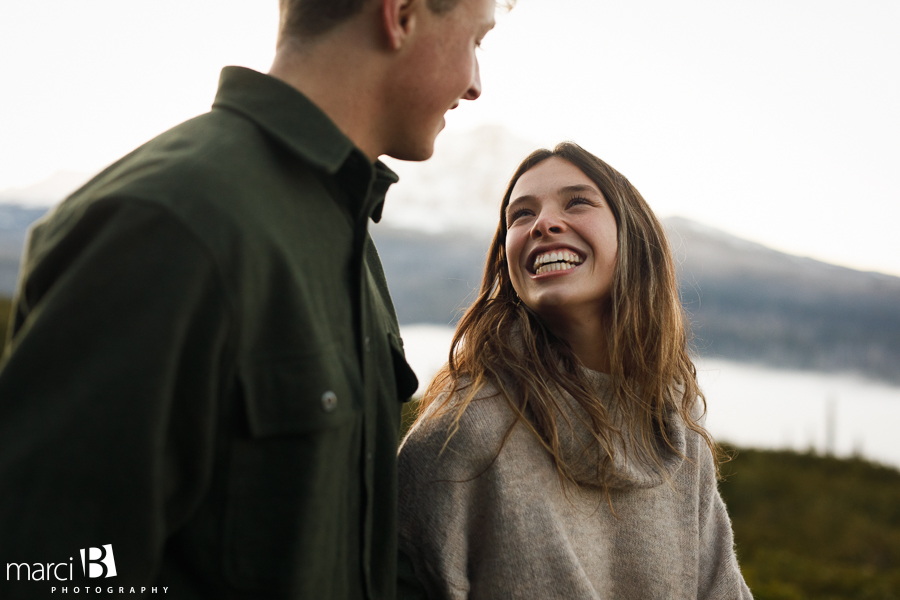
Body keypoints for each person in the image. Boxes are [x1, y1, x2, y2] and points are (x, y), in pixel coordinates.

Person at [0, 0, 496, 598]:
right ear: (402, 15)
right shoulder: (169, 225)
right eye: (475, 41)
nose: (474, 84)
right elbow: (49, 571)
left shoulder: (345, 234)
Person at [397, 143, 753, 599]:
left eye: (578, 202)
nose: (543, 223)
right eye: (520, 215)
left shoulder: (673, 433)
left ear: (633, 236)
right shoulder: (467, 429)